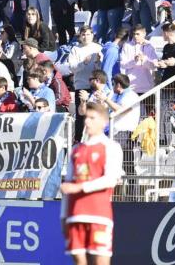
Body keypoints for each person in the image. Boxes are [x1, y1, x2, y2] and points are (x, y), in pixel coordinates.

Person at [61, 102, 123, 263]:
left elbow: (111, 179)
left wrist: (80, 187)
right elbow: (68, 186)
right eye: (86, 117)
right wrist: (63, 217)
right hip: (75, 215)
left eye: (92, 118)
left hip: (98, 215)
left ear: (104, 121)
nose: (87, 121)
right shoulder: (76, 150)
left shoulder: (111, 147)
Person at [69, 26, 103, 139]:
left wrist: (98, 62)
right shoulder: (75, 49)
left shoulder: (98, 48)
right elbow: (72, 68)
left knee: (95, 114)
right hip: (81, 85)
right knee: (81, 115)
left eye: (88, 34)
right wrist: (83, 63)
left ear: (92, 35)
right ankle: (78, 139)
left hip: (96, 86)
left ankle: (96, 138)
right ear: (80, 36)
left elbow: (101, 69)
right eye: (83, 34)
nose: (86, 37)